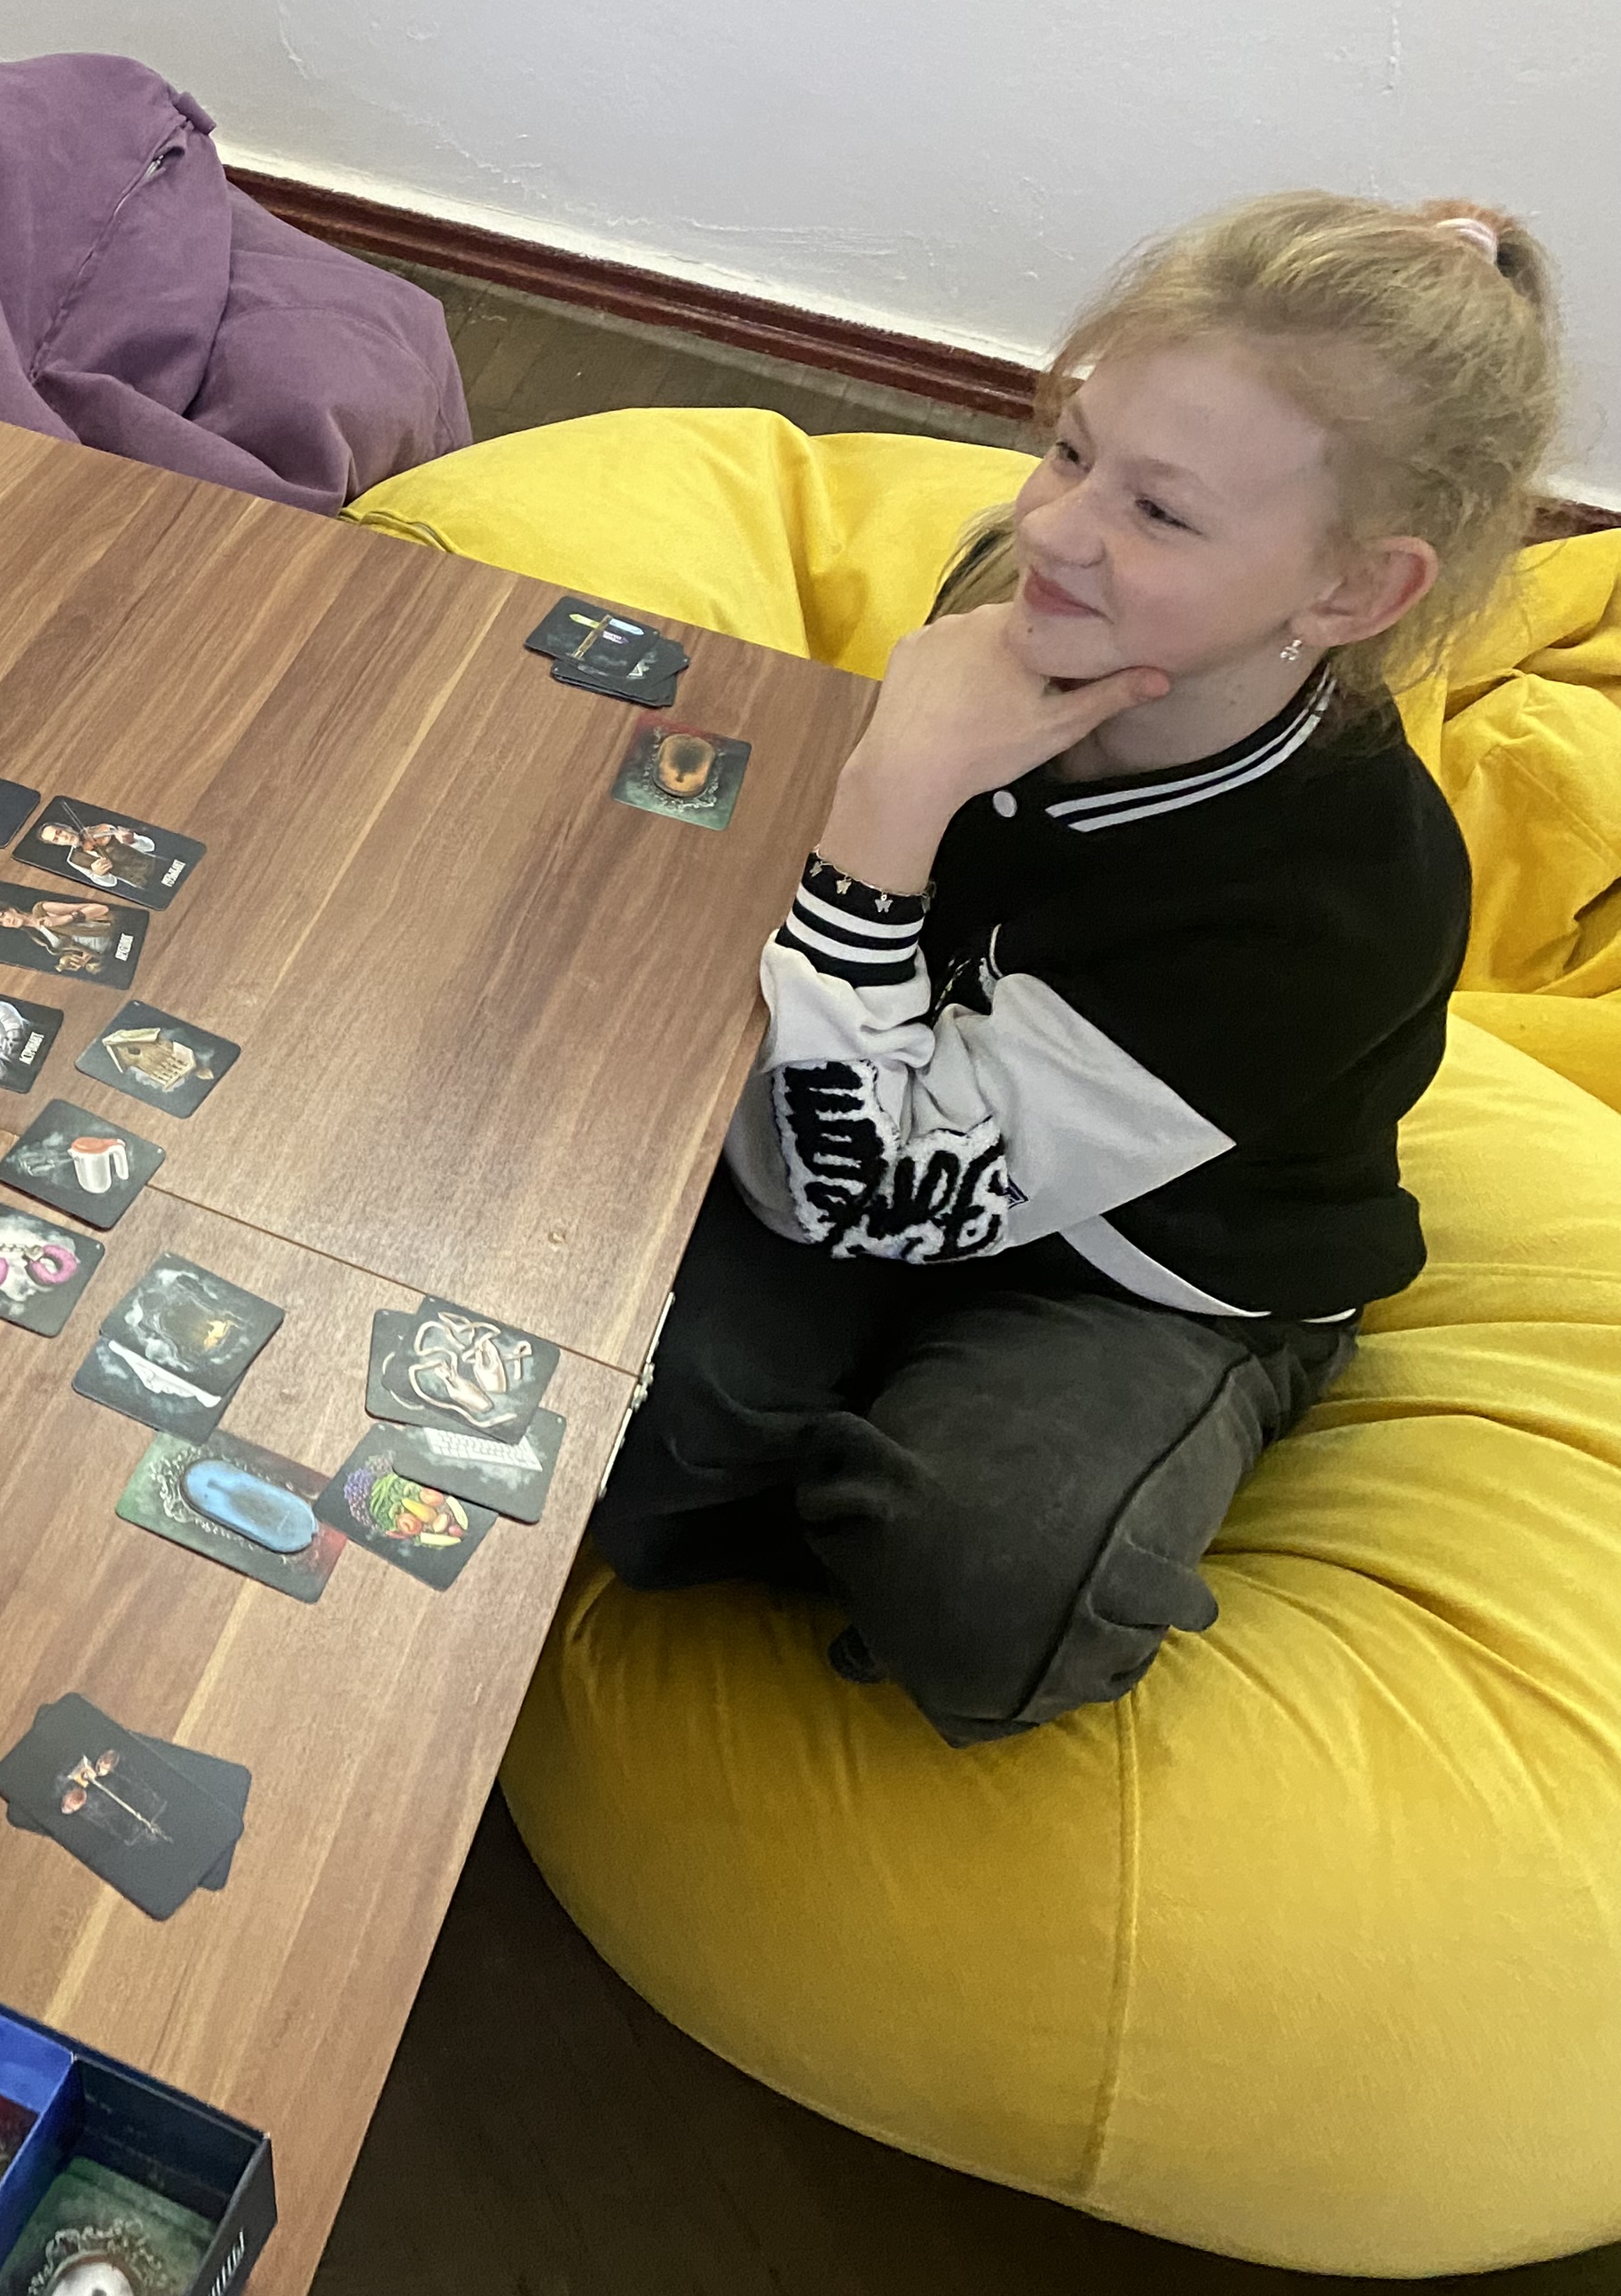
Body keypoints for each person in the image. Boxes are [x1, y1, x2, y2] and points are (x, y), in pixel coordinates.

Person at [598, 193, 1558, 1746]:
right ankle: (781, 1446)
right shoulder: (1017, 584)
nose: (1052, 528)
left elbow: (855, 1186)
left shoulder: (1341, 901)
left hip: (1154, 1259)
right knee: (610, 1381)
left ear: (1350, 594)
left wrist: (894, 797)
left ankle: (854, 1471)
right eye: (1069, 447)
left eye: (1158, 513)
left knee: (993, 1573)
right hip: (918, 1099)